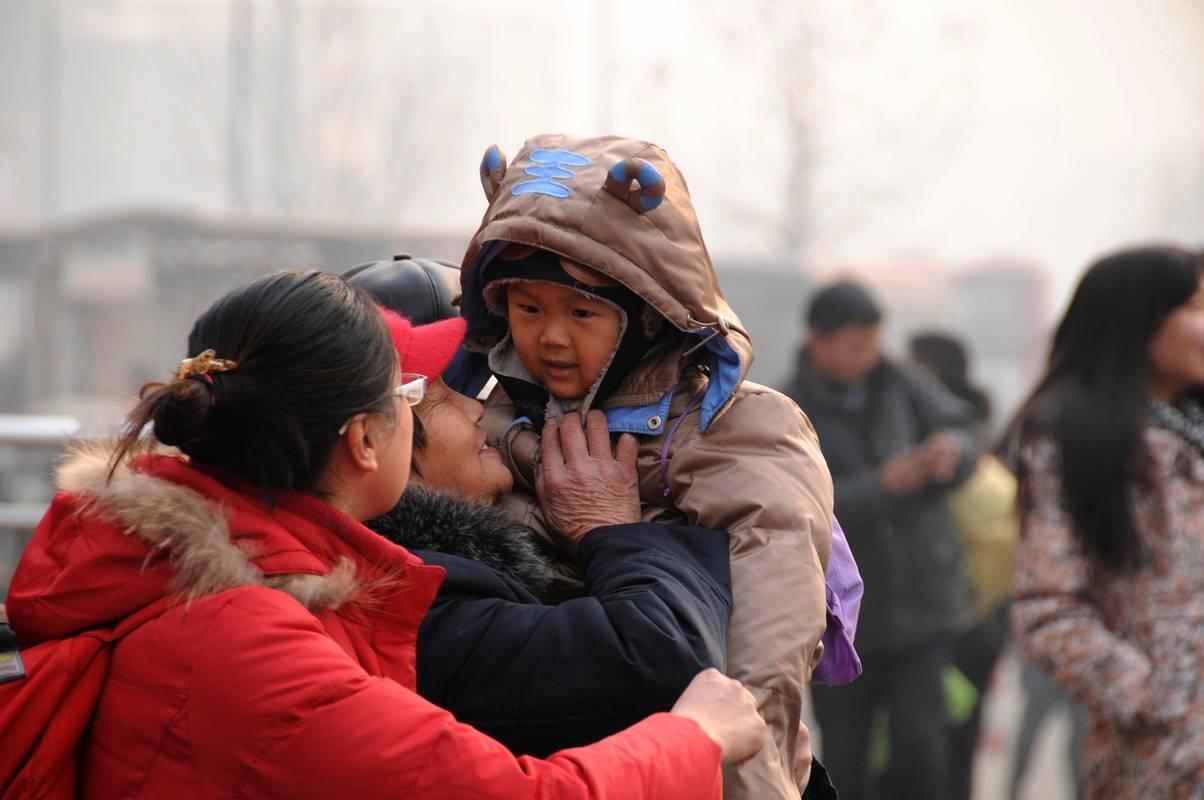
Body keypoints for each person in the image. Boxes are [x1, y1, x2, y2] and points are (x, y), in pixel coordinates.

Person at [2, 269, 768, 798]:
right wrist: (696, 736)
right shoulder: (246, 638)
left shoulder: (233, 583)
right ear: (364, 441)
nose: (480, 411)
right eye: (417, 393)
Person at [458, 134, 835, 800]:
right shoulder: (483, 422)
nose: (551, 335)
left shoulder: (737, 430)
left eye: (582, 312)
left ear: (653, 313)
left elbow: (761, 658)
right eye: (527, 308)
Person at [363, 309, 738, 759]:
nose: (475, 406)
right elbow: (663, 658)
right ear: (370, 440)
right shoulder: (415, 606)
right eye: (439, 397)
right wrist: (609, 529)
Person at [1009, 245, 1204, 797]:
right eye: (1194, 306)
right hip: (1163, 763)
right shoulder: (1076, 439)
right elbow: (1046, 608)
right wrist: (1156, 697)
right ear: (1138, 317)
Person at [780, 280, 978, 800]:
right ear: (817, 338)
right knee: (845, 753)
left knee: (922, 747)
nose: (867, 356)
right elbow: (797, 501)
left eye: (873, 341)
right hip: (842, 619)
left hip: (923, 607)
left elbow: (962, 426)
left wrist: (951, 454)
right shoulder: (787, 406)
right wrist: (882, 486)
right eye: (854, 344)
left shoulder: (903, 382)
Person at [909, 332, 1016, 800]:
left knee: (933, 737)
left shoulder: (942, 443)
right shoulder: (977, 430)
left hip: (956, 618)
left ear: (931, 371)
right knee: (958, 733)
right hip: (982, 616)